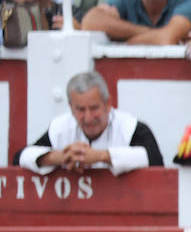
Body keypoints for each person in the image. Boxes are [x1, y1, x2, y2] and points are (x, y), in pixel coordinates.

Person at [17, 71, 164, 175]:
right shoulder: (60, 127)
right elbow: (20, 157)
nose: (88, 117)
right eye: (80, 109)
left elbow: (154, 160)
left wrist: (101, 156)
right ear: (71, 108)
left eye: (94, 108)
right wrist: (60, 157)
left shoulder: (131, 128)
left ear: (108, 104)